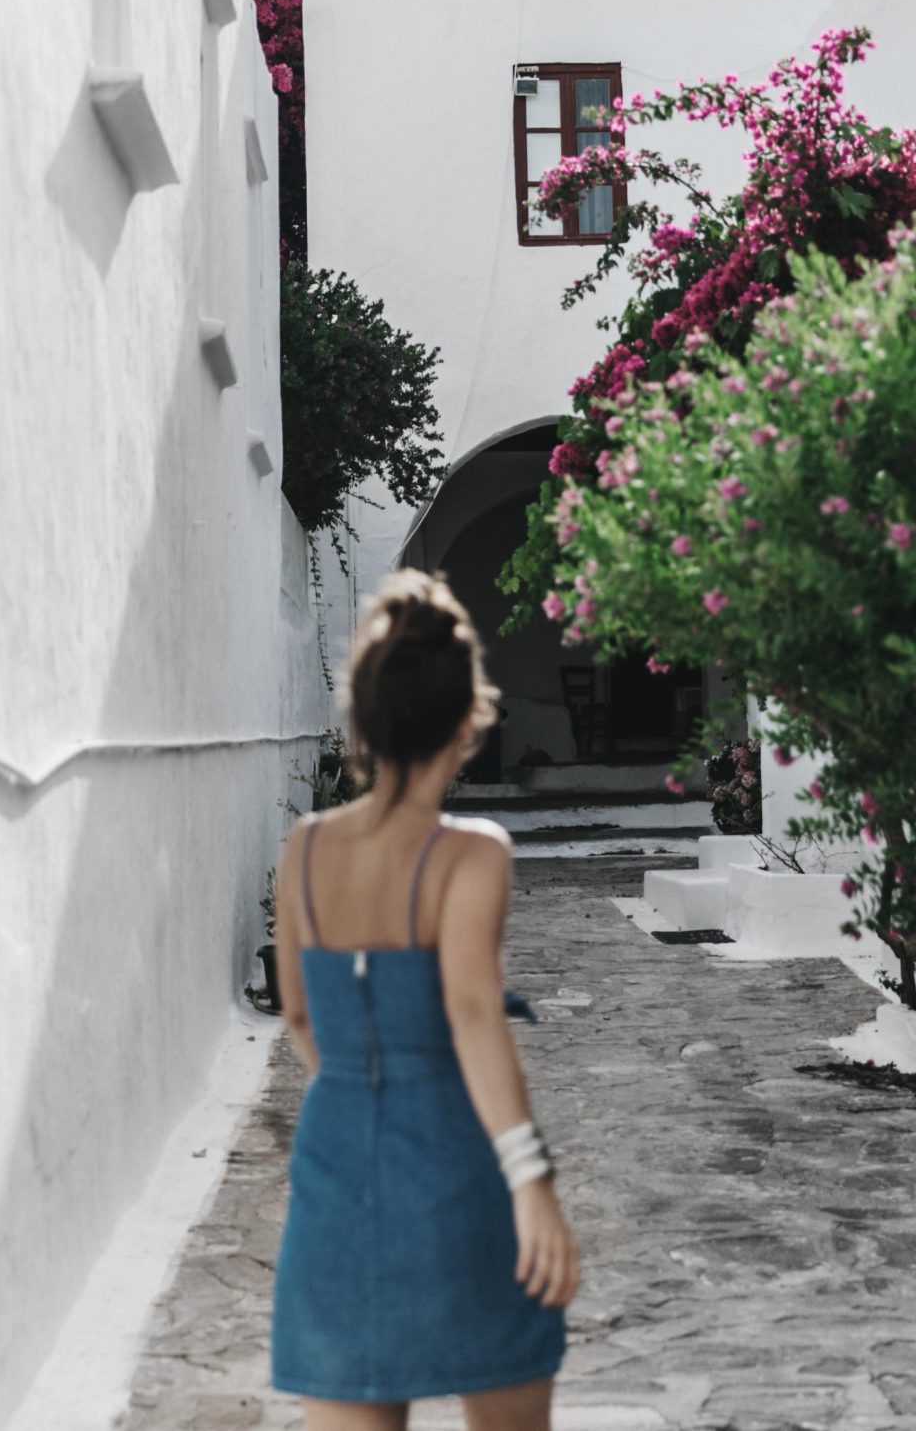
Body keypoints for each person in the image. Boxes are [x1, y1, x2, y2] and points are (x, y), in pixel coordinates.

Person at [271, 569, 580, 1428]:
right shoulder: (470, 855)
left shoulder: (303, 851)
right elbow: (474, 1015)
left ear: (364, 720)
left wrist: (364, 1083)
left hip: (335, 1177)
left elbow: (300, 1016)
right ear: (468, 719)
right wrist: (533, 1184)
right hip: (454, 1172)